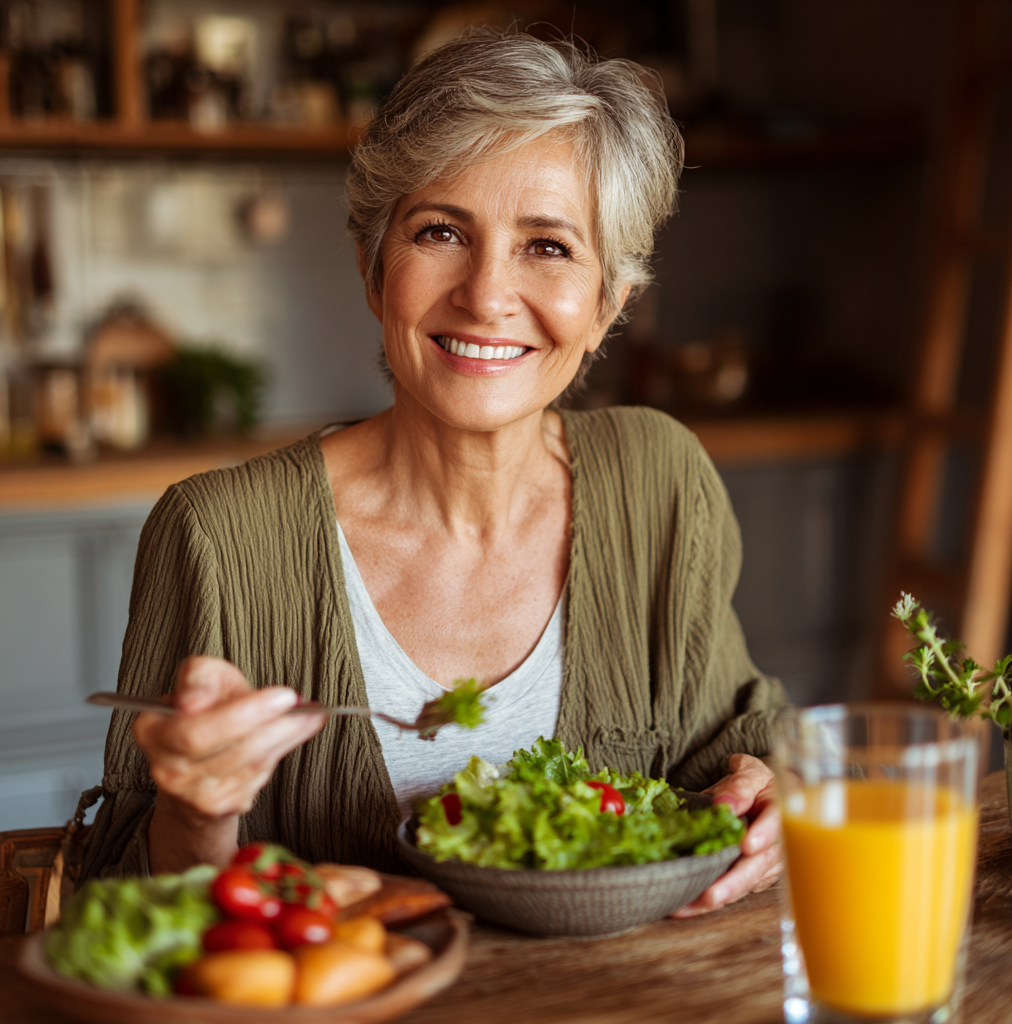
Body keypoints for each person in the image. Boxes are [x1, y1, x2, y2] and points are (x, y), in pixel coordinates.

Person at [77, 29, 788, 918]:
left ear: (609, 303)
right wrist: (197, 807)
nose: (487, 293)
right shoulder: (218, 536)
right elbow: (117, 902)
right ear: (377, 273)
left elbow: (737, 739)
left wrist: (767, 792)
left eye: (549, 246)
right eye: (441, 231)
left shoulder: (660, 478)